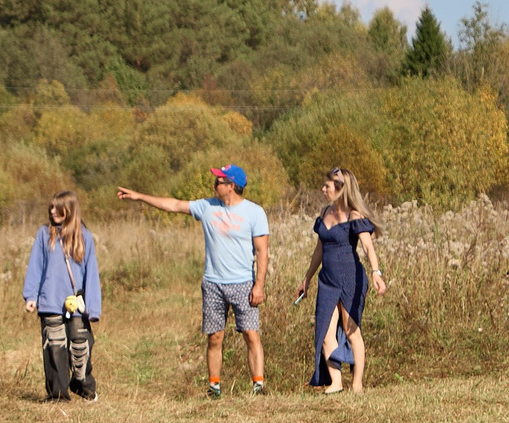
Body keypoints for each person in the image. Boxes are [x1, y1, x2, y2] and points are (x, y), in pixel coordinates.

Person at [118, 164, 271, 398]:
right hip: (213, 283)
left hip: (243, 284)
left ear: (231, 186)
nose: (214, 185)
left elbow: (262, 252)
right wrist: (139, 196)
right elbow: (174, 205)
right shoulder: (206, 206)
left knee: (251, 334)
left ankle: (258, 386)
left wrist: (258, 285)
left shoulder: (254, 212)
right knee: (215, 336)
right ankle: (214, 388)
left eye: (219, 181)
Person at [295, 167, 388, 393]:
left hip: (350, 278)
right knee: (324, 331)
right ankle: (336, 382)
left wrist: (376, 272)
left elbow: (367, 246)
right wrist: (307, 278)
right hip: (327, 280)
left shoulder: (354, 215)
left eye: (327, 186)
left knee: (351, 331)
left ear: (340, 189)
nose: (323, 189)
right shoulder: (325, 212)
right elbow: (319, 250)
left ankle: (357, 384)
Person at [22, 189, 102, 401]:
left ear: (70, 210)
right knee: (54, 349)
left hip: (77, 305)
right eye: (51, 207)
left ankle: (83, 386)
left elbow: (91, 273)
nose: (52, 211)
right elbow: (36, 266)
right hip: (50, 302)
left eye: (57, 208)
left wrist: (93, 308)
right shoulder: (44, 234)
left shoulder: (84, 236)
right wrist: (31, 296)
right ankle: (58, 395)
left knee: (81, 347)